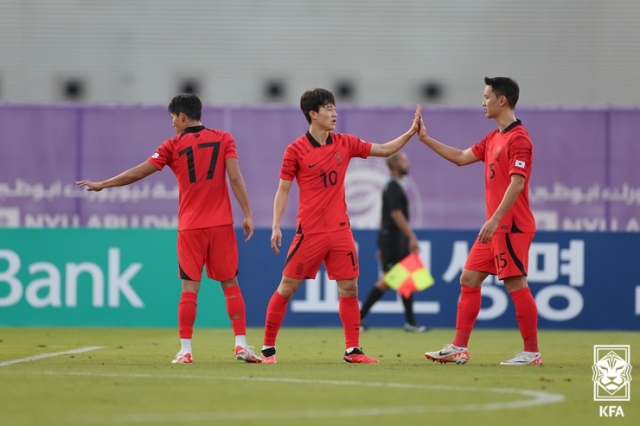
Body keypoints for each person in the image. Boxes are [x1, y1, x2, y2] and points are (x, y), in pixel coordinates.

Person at [76, 93, 262, 364]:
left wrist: (103, 183)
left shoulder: (172, 145)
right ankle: (241, 345)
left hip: (190, 227)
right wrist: (247, 214)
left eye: (173, 118)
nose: (172, 123)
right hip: (221, 223)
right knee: (231, 285)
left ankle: (186, 351)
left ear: (182, 116)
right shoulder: (224, 138)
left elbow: (138, 172)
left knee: (189, 288)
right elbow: (235, 177)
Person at [262, 88, 421, 364]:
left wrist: (409, 133)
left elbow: (383, 150)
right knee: (287, 288)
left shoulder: (345, 143)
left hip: (340, 231)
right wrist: (276, 224)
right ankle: (267, 350)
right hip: (309, 232)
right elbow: (283, 190)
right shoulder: (295, 150)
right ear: (313, 114)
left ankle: (353, 350)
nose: (334, 113)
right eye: (328, 108)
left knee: (350, 289)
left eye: (334, 107)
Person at [419, 77, 542, 366]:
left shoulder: (519, 138)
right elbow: (461, 157)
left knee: (515, 283)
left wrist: (496, 218)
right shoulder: (493, 137)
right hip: (495, 226)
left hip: (511, 225)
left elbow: (517, 182)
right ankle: (459, 348)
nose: (482, 102)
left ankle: (532, 352)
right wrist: (425, 139)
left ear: (502, 100)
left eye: (486, 96)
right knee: (469, 278)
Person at [359, 152, 430, 333]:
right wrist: (410, 236)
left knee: (405, 277)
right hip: (393, 239)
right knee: (387, 281)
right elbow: (396, 215)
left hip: (393, 239)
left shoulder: (396, 186)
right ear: (396, 165)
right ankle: (357, 319)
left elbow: (386, 217)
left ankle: (410, 322)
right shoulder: (392, 186)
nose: (409, 164)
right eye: (405, 161)